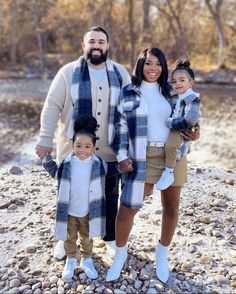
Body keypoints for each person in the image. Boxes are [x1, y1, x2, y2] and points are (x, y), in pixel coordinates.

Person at [35, 26, 131, 257]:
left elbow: (131, 109)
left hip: (109, 150)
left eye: (101, 42)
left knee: (109, 195)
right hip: (72, 149)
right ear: (83, 45)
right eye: (92, 42)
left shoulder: (121, 73)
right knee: (68, 195)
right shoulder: (67, 72)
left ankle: (108, 237)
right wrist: (45, 138)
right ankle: (65, 239)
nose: (96, 46)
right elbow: (51, 107)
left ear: (108, 46)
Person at [106, 47, 200, 283]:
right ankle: (120, 253)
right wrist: (121, 156)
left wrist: (196, 133)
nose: (153, 68)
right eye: (148, 63)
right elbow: (120, 128)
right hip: (141, 156)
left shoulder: (172, 91)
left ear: (163, 67)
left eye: (158, 63)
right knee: (128, 206)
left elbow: (191, 115)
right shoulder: (128, 92)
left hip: (173, 155)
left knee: (171, 207)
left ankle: (162, 253)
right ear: (141, 64)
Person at [43, 115, 107, 280]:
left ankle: (86, 259)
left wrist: (126, 165)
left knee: (87, 238)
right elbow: (56, 174)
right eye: (78, 145)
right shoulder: (67, 163)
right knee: (69, 237)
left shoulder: (99, 165)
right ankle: (71, 259)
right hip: (70, 211)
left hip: (88, 211)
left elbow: (112, 173)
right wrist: (46, 159)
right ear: (72, 145)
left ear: (93, 147)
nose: (82, 150)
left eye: (87, 146)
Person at [156, 58, 201, 190]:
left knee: (170, 145)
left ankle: (168, 172)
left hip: (181, 128)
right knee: (173, 147)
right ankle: (175, 158)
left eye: (182, 80)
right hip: (177, 127)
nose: (177, 84)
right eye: (174, 81)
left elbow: (191, 118)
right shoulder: (179, 95)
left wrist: (170, 122)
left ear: (191, 82)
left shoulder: (192, 98)